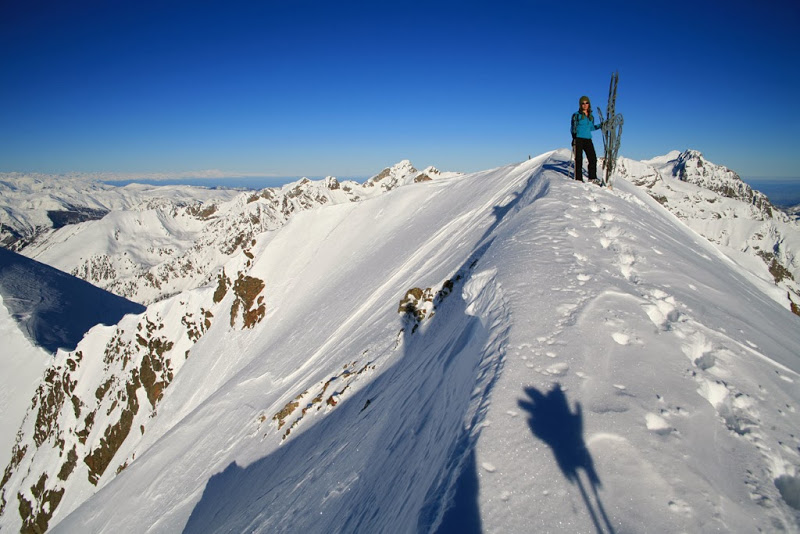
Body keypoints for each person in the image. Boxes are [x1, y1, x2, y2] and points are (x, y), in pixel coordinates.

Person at [570, 96, 603, 183]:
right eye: (583, 103)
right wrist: (574, 138)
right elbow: (573, 127)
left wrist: (600, 126)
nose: (585, 105)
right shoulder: (576, 115)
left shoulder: (591, 116)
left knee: (592, 158)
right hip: (579, 139)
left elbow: (591, 128)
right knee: (579, 159)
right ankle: (578, 179)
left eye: (586, 103)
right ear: (580, 105)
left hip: (588, 139)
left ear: (589, 104)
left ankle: (592, 177)